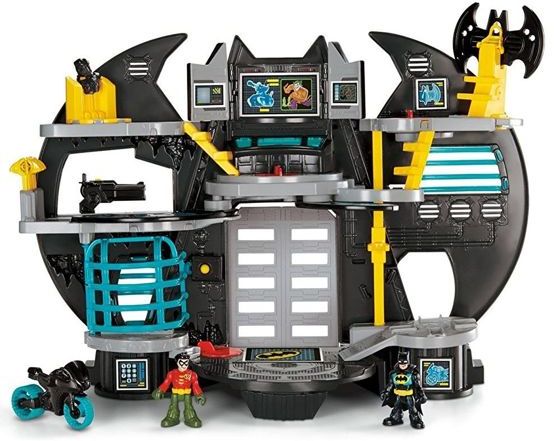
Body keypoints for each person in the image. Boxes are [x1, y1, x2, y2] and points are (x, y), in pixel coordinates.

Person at [152, 352, 206, 428]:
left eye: (186, 362)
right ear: (177, 362)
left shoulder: (192, 374)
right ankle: (172, 417)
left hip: (187, 394)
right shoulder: (172, 373)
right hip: (175, 394)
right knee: (173, 406)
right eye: (182, 362)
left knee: (189, 406)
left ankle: (190, 417)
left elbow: (195, 385)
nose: (184, 365)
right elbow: (166, 383)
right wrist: (160, 390)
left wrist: (199, 395)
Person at [380, 351, 427, 429]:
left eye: (404, 363)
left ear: (408, 363)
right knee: (397, 407)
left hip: (409, 395)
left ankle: (415, 419)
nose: (402, 365)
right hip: (398, 395)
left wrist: (422, 395)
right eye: (400, 363)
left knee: (412, 408)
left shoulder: (413, 374)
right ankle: (396, 418)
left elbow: (418, 386)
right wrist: (385, 392)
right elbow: (390, 385)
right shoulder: (394, 373)